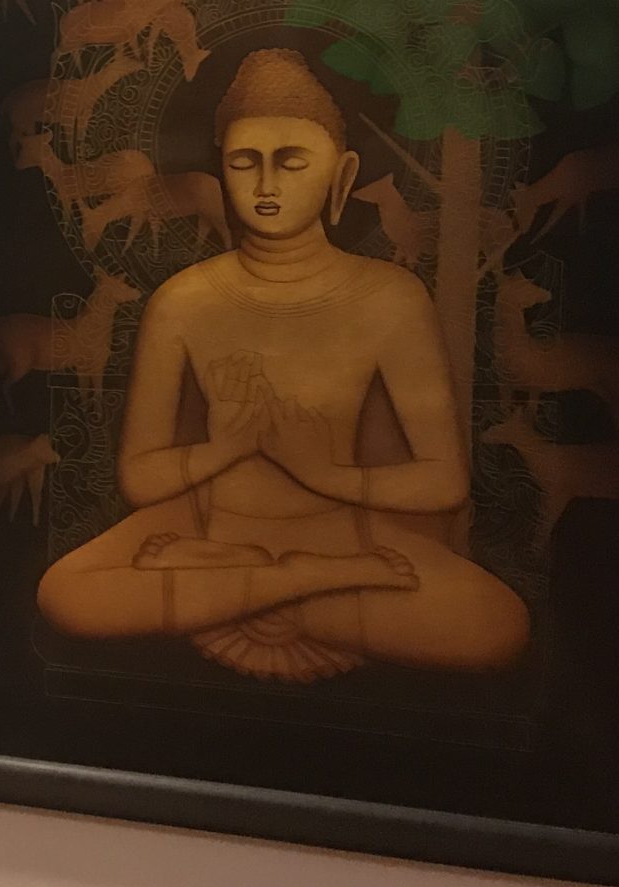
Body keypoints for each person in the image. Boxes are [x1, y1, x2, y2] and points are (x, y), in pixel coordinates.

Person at [35, 48, 528, 681]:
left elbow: (443, 483)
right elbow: (140, 479)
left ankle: (247, 586)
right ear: (221, 171)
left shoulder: (390, 298)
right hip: (210, 526)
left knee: (494, 624)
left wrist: (319, 471)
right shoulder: (182, 302)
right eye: (244, 162)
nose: (266, 185)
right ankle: (304, 585)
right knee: (66, 594)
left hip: (339, 531)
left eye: (293, 162)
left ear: (342, 175)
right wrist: (228, 447)